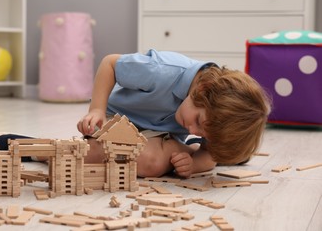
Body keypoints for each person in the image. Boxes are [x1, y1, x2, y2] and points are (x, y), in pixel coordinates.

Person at [77, 49, 271, 178]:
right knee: (89, 153)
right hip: (118, 118)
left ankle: (185, 150)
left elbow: (209, 155)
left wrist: (193, 165)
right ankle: (186, 148)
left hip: (158, 135)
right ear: (202, 90)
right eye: (198, 121)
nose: (193, 130)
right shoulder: (160, 70)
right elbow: (109, 64)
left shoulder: (214, 118)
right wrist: (97, 109)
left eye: (201, 134)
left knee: (151, 163)